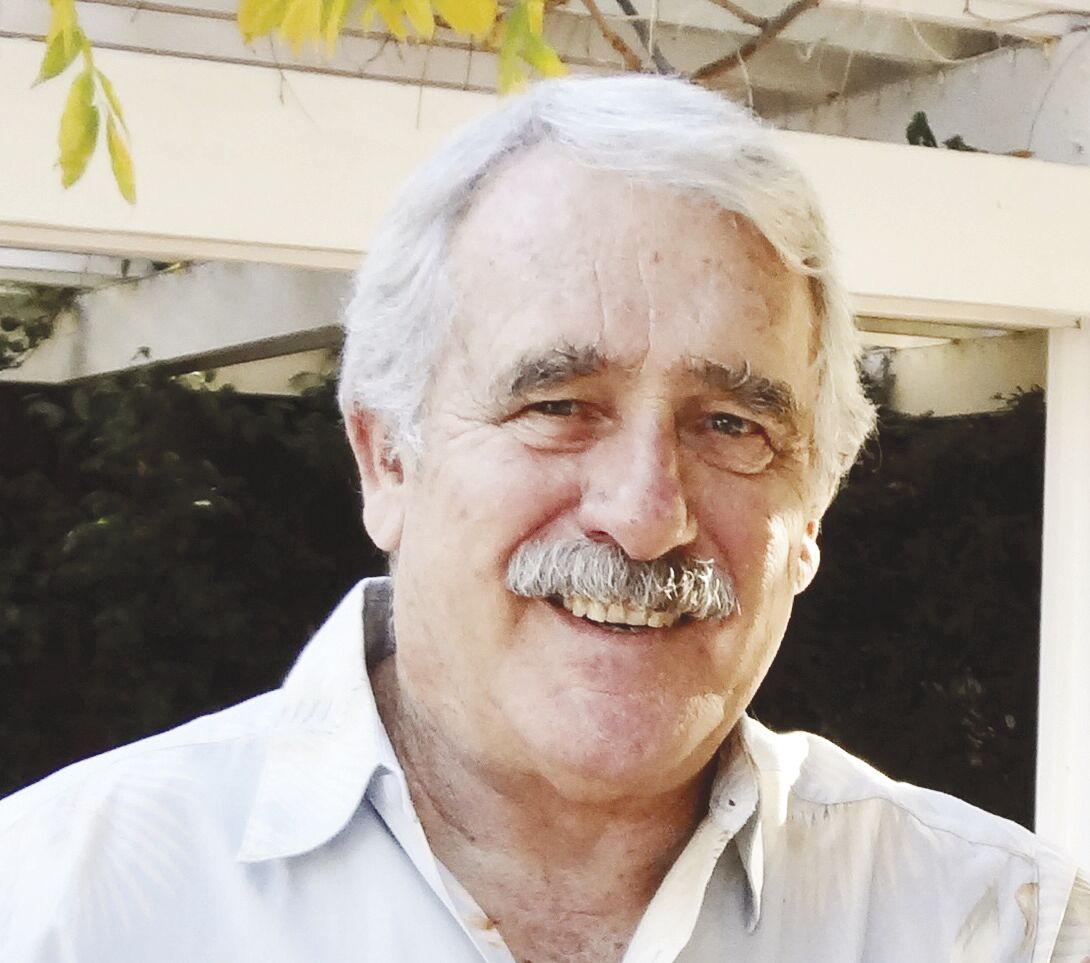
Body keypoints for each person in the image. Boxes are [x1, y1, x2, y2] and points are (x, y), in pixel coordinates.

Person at [1, 74, 1087, 962]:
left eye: (730, 425)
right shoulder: (59, 908)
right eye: (558, 407)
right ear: (386, 458)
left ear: (811, 509)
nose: (645, 514)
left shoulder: (996, 928)